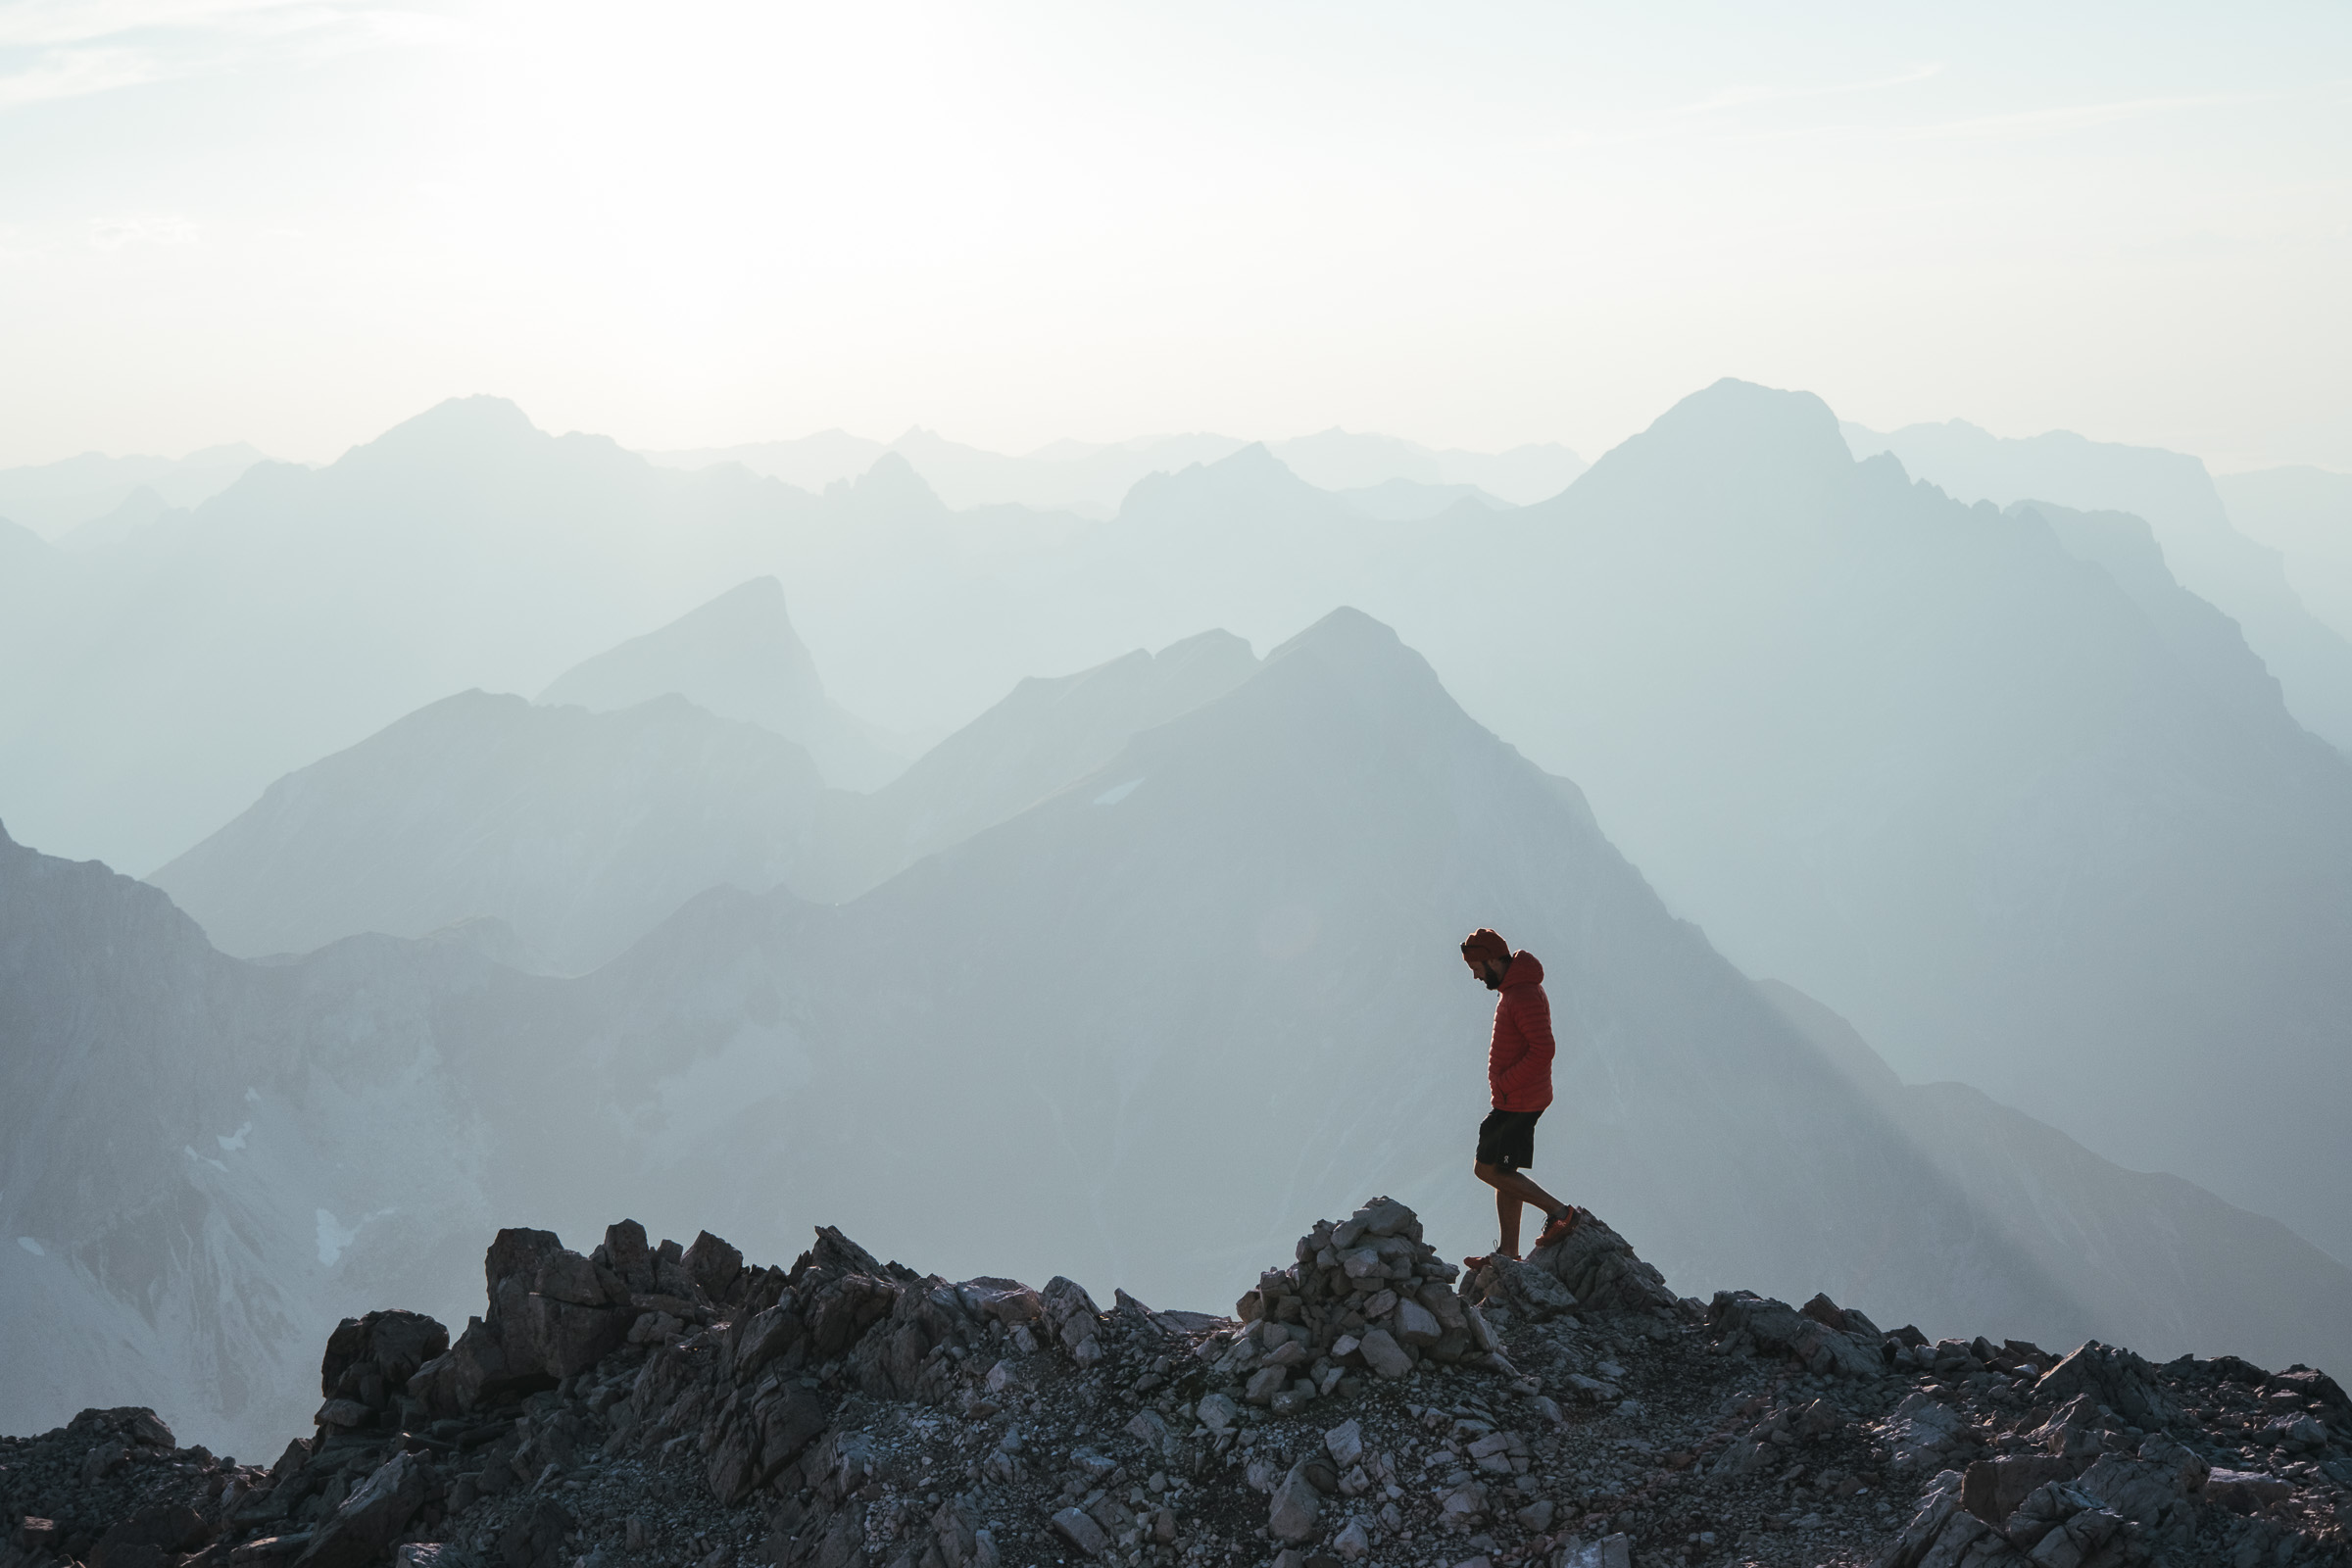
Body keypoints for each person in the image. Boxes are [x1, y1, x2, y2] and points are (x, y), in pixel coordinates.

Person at [1460, 926, 1580, 1266]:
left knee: (1486, 1169)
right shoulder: (1514, 990)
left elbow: (1544, 1049)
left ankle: (1560, 1212)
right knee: (1504, 1169)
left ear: (1494, 960)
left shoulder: (1523, 994)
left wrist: (1506, 1082)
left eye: (1477, 968)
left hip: (1519, 1101)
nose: (1475, 976)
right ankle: (1509, 1254)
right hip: (1516, 1098)